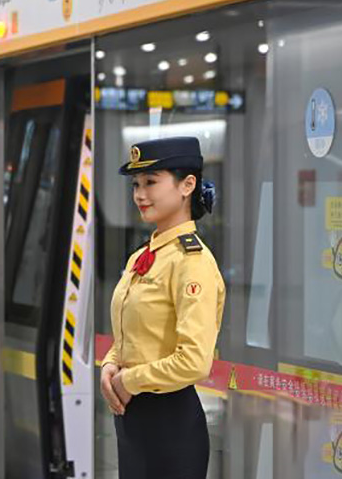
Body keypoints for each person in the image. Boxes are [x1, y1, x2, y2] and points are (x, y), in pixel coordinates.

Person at [99, 137, 226, 479]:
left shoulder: (192, 263)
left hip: (171, 426)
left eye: (151, 182)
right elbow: (132, 333)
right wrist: (110, 363)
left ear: (188, 185)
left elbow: (194, 361)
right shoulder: (142, 256)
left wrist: (130, 380)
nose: (140, 194)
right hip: (133, 421)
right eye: (136, 185)